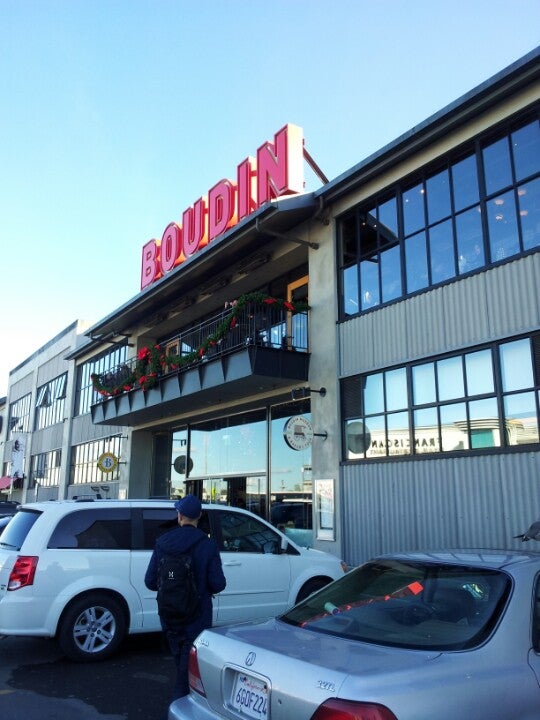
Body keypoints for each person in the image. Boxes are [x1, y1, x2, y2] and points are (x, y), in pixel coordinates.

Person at [144, 494, 226, 700]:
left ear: (179, 516)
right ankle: (181, 704)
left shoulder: (162, 542)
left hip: (169, 615)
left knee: (181, 663)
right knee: (186, 670)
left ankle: (186, 699)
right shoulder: (208, 545)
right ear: (199, 516)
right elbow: (218, 584)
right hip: (197, 617)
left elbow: (150, 581)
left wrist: (172, 580)